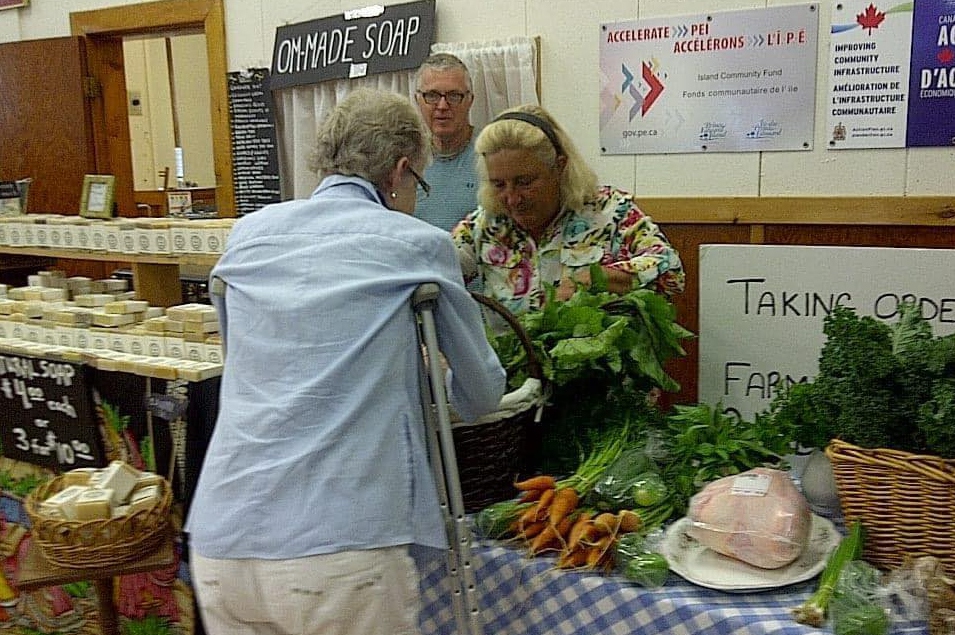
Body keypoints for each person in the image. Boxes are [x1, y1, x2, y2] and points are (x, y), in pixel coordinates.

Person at [185, 88, 506, 635]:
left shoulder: (248, 235)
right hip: (340, 545)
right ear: (400, 171)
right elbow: (482, 391)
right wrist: (433, 396)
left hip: (222, 539)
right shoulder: (418, 243)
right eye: (417, 184)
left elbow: (239, 360)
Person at [452, 104, 685, 315]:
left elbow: (670, 269)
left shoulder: (611, 212)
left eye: (525, 182)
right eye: (499, 185)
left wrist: (596, 279)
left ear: (559, 167)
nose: (512, 199)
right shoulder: (483, 226)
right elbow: (435, 266)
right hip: (507, 361)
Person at [413, 53, 479, 231]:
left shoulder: (491, 156)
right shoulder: (404, 162)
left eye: (454, 96)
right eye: (432, 96)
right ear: (417, 100)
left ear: (470, 100)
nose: (442, 106)